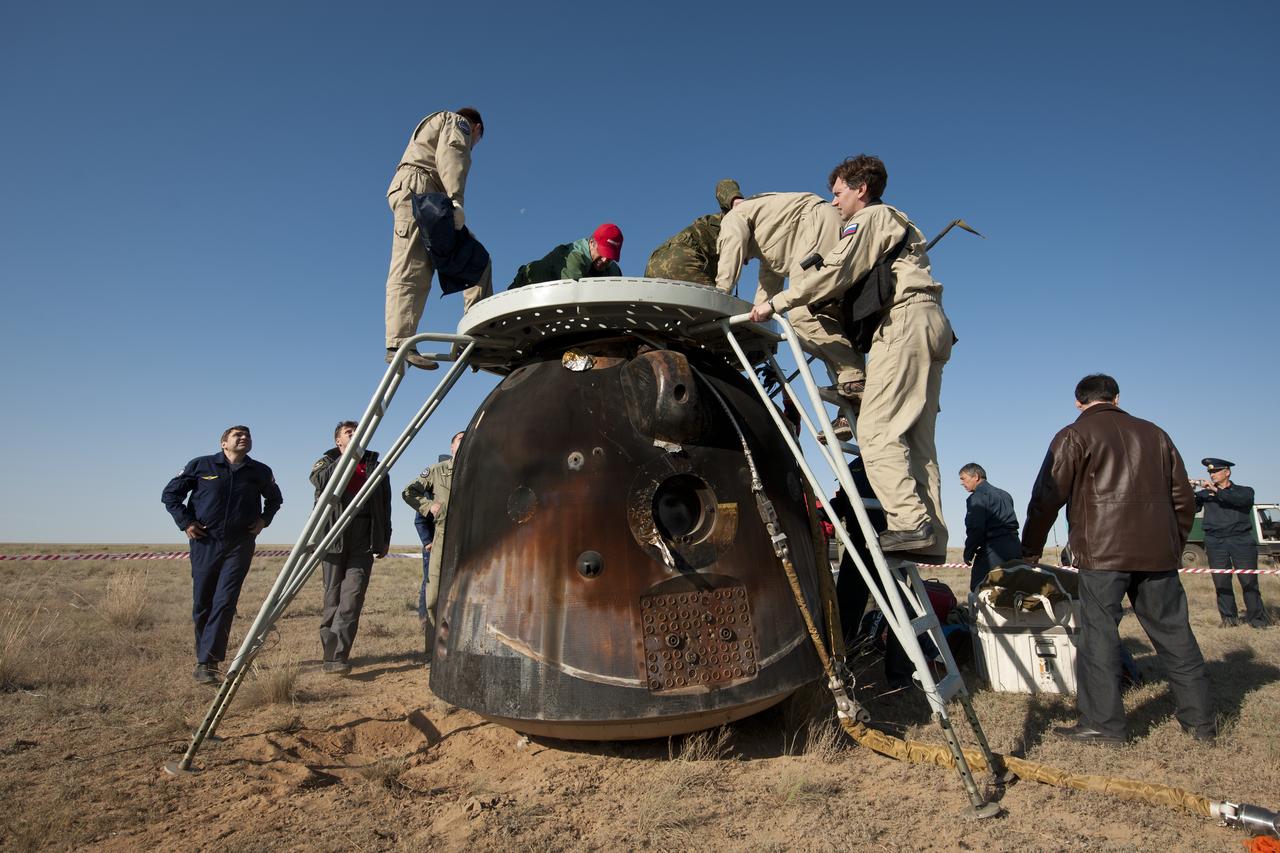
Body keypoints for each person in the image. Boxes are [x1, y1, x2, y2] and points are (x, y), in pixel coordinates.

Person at [749, 156, 953, 560]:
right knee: (917, 441)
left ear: (861, 189)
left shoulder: (873, 218)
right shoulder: (896, 223)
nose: (835, 203)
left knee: (876, 433)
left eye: (839, 193)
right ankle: (932, 538)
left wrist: (779, 302)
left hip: (903, 324)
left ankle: (910, 524)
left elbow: (837, 269)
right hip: (932, 324)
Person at [1021, 374, 1215, 745]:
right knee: (1176, 635)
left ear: (1079, 402)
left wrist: (1030, 546)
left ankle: (1104, 725)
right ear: (1117, 397)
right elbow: (1183, 498)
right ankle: (1202, 724)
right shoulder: (1156, 434)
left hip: (1102, 553)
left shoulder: (1073, 436)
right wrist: (1172, 543)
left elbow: (1048, 494)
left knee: (1099, 637)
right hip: (1158, 555)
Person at [716, 191, 866, 439]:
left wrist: (720, 295)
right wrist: (755, 323)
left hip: (816, 224)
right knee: (827, 322)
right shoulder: (768, 238)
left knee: (802, 314)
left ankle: (857, 377)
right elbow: (768, 286)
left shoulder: (733, 219)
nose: (744, 262)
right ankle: (850, 408)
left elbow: (730, 250)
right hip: (814, 230)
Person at [162, 426, 283, 685]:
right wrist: (186, 522)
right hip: (206, 541)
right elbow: (170, 495)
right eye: (237, 435)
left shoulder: (260, 471)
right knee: (203, 600)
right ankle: (202, 656)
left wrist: (263, 520)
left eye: (248, 435)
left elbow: (275, 500)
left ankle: (208, 663)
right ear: (223, 443)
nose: (244, 438)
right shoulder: (201, 466)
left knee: (225, 600)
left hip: (240, 543)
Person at [385, 107, 491, 370]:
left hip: (433, 199)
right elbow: (453, 154)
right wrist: (456, 199)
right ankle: (399, 342)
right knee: (413, 266)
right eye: (476, 141)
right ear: (477, 128)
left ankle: (476, 335)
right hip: (420, 191)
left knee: (476, 259)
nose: (473, 145)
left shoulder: (444, 123)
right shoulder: (457, 123)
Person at [309, 421, 392, 675]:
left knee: (352, 597)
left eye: (358, 432)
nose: (355, 435)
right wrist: (347, 457)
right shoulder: (326, 461)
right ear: (338, 441)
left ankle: (339, 655)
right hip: (333, 536)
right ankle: (330, 652)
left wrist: (384, 538)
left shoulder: (375, 466)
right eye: (349, 433)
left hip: (363, 536)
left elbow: (385, 504)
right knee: (332, 598)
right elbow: (320, 481)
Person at [402, 430, 464, 658]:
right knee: (434, 598)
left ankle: (457, 650)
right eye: (459, 439)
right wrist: (428, 507)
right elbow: (409, 491)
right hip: (441, 541)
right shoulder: (437, 471)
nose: (465, 442)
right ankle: (436, 651)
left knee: (465, 598)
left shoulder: (481, 472)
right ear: (451, 447)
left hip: (470, 544)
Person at [1194, 458, 1270, 628]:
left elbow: (1240, 501)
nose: (1212, 475)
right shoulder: (1205, 494)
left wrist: (1216, 490)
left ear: (1227, 472)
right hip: (1215, 542)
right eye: (1210, 473)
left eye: (1215, 471)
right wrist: (1187, 490)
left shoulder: (1244, 491)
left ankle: (1257, 619)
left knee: (1249, 581)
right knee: (1221, 582)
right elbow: (1192, 507)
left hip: (1240, 540)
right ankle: (1229, 619)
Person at [645, 180, 744, 285]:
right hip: (684, 259)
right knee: (715, 300)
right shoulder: (741, 217)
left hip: (654, 263)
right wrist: (736, 200)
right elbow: (724, 184)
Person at [959, 463, 1021, 591]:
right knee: (1013, 589)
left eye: (963, 478)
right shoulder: (1005, 494)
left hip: (994, 549)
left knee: (981, 588)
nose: (962, 483)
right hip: (1015, 547)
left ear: (976, 476)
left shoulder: (977, 498)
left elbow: (976, 528)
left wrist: (968, 552)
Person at [508, 224, 623, 288]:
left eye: (610, 256)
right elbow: (576, 295)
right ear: (591, 243)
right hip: (526, 287)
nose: (605, 260)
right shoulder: (574, 258)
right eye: (602, 252)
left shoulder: (613, 269)